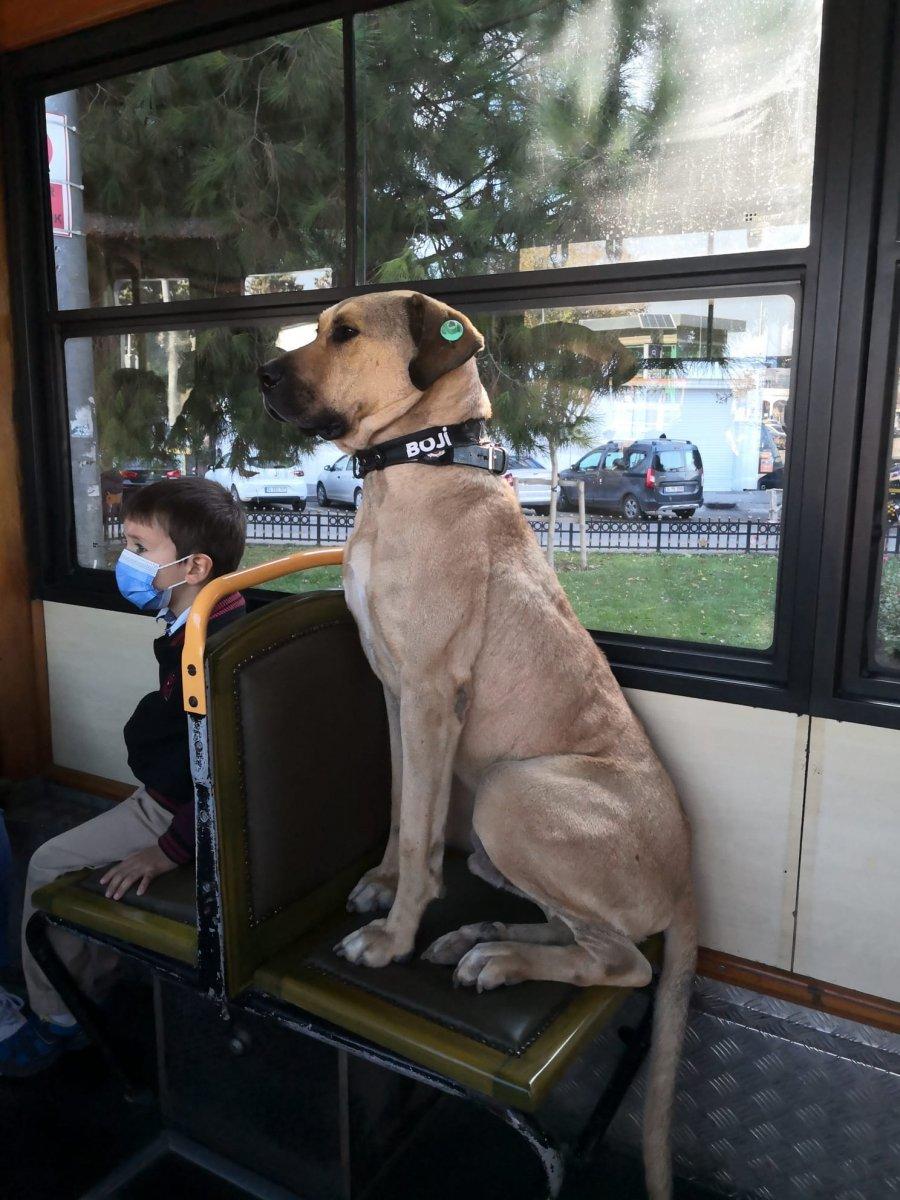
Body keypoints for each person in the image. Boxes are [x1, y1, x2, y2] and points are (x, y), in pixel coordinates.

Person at [0, 477, 246, 1077]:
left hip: (177, 812)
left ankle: (58, 1016)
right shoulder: (221, 615)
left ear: (195, 566)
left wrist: (167, 850)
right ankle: (94, 976)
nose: (127, 561)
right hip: (178, 798)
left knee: (47, 864)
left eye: (140, 547)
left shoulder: (204, 654)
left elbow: (217, 770)